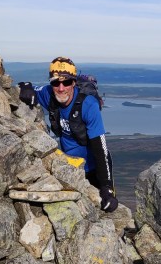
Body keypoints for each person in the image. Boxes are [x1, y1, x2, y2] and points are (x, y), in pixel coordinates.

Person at [18, 57, 119, 212]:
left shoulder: (88, 105)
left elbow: (101, 149)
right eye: (55, 83)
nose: (61, 88)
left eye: (66, 82)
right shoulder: (48, 94)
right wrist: (24, 87)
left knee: (106, 208)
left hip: (94, 168)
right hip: (70, 168)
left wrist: (107, 187)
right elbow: (27, 87)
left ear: (74, 83)